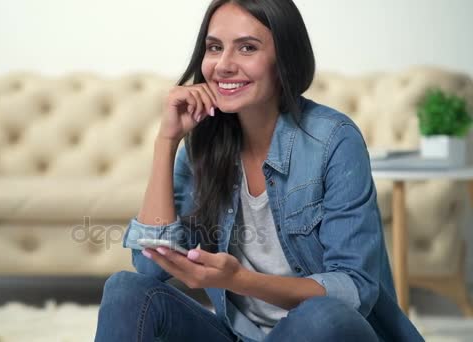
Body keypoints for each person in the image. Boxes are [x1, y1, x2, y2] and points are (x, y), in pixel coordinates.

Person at [95, 0, 424, 341]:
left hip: (319, 331)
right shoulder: (202, 144)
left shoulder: (333, 140)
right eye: (214, 48)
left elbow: (355, 290)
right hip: (241, 335)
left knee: (320, 316)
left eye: (247, 48)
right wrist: (167, 141)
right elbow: (150, 265)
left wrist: (237, 280)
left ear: (285, 58)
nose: (223, 65)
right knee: (126, 289)